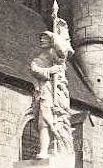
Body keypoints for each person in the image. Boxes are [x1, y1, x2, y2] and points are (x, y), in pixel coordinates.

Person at [29, 16, 74, 158]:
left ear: (51, 41)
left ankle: (55, 148)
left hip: (56, 91)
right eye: (41, 38)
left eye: (45, 38)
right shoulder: (38, 58)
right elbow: (34, 69)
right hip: (44, 90)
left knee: (51, 120)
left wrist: (56, 36)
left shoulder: (55, 54)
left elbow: (63, 53)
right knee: (43, 121)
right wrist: (49, 71)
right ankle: (44, 151)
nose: (41, 40)